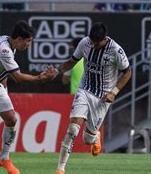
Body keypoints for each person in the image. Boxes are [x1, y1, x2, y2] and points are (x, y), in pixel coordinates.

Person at [0, 20, 58, 174]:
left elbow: (3, 71)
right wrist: (41, 78)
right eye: (28, 41)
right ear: (19, 39)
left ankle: (4, 158)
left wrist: (4, 91)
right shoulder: (4, 49)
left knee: (12, 119)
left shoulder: (9, 43)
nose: (29, 45)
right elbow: (18, 77)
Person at [56, 22, 132, 174]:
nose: (94, 46)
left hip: (102, 97)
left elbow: (127, 72)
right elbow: (72, 62)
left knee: (87, 139)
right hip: (84, 89)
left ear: (105, 39)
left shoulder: (116, 50)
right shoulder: (84, 43)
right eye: (92, 42)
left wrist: (114, 92)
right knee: (72, 129)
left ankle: (94, 137)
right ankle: (60, 169)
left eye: (97, 44)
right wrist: (57, 70)